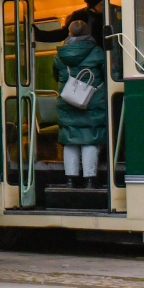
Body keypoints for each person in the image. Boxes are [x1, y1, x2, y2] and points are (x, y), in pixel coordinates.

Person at [54, 19, 108, 189]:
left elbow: (56, 76)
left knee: (70, 140)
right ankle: (90, 180)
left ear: (69, 33)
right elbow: (108, 75)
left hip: (68, 101)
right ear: (88, 33)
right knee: (90, 139)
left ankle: (70, 179)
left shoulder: (60, 55)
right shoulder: (98, 52)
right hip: (92, 103)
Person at [35, 0, 105, 46]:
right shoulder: (79, 16)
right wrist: (39, 35)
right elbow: (63, 34)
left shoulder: (110, 13)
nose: (104, 6)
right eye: (101, 4)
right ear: (93, 7)